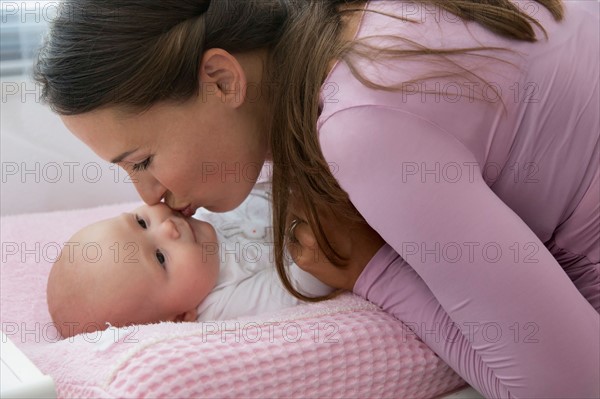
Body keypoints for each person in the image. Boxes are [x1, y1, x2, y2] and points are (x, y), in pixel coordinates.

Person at [34, 0, 599, 397]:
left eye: (141, 162)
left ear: (223, 80)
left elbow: (574, 385)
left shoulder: (364, 126)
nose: (152, 199)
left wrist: (368, 268)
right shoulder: (340, 29)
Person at [47, 193, 333, 339]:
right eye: (160, 257)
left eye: (141, 222)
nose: (168, 227)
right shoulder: (222, 302)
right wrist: (325, 233)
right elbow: (300, 287)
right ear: (180, 319)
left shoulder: (199, 215)